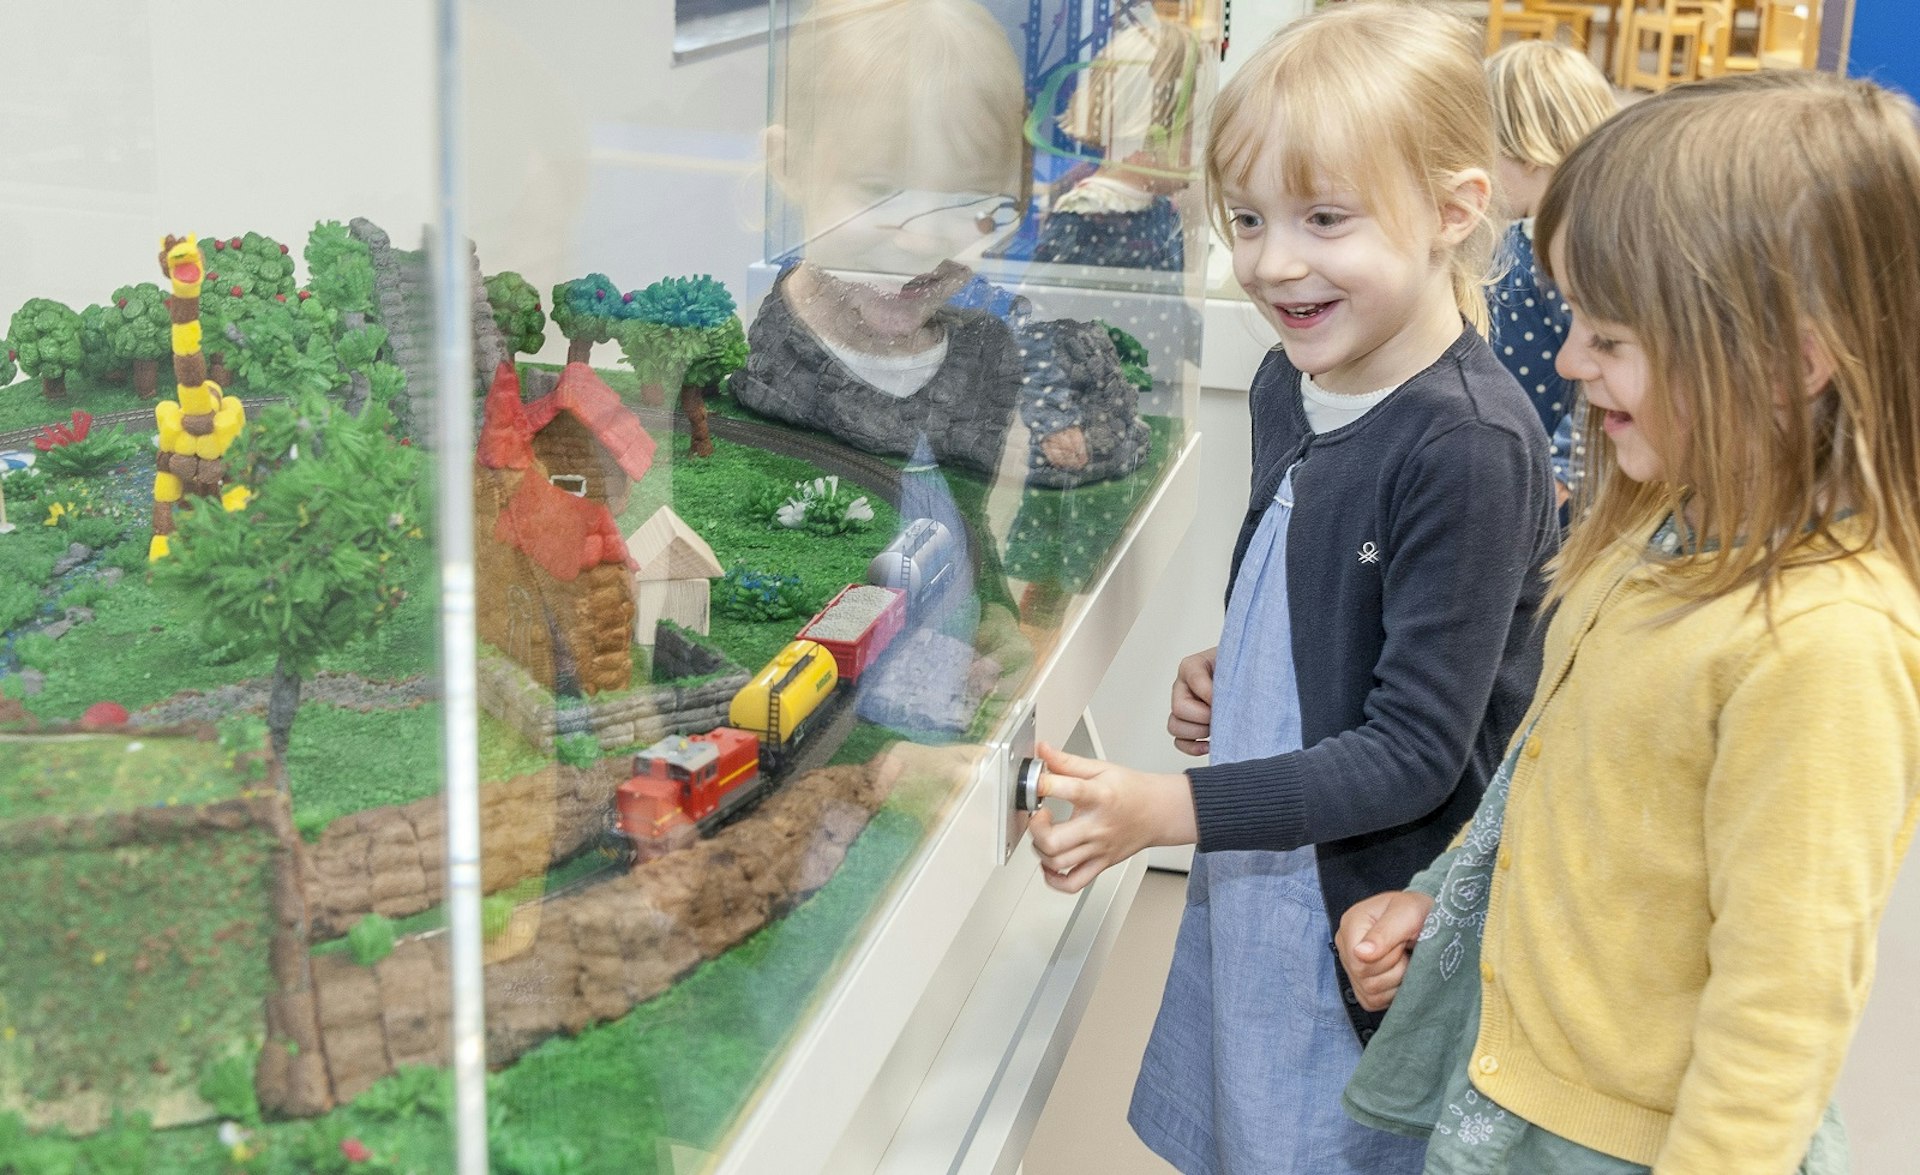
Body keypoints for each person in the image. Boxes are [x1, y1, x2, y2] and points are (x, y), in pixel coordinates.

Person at [1336, 71, 1920, 1174]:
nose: (1566, 364)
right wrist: (1441, 900)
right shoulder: (1655, 526)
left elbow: (1780, 1011)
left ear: (1793, 363)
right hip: (1515, 1085)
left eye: (1610, 339)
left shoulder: (1827, 646)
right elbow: (1553, 780)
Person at [1025, 4, 1558, 1171]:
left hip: (1372, 912)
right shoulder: (1287, 381)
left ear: (1455, 210)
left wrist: (1169, 808)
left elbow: (1417, 746)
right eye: (1250, 219)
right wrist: (1245, 670)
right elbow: (1307, 590)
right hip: (1267, 889)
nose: (1274, 261)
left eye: (1326, 218)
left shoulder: (1470, 447)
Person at [733, 0, 1151, 487]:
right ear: (787, 167)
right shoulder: (766, 367)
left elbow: (1111, 439)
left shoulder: (998, 351)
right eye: (880, 191)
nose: (924, 237)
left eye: (966, 198)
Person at [1483, 40, 1615, 508]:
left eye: (1486, 148)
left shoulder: (1550, 248)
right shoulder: (1586, 235)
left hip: (1546, 490)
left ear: (1529, 151)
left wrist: (1562, 472)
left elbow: (1599, 370)